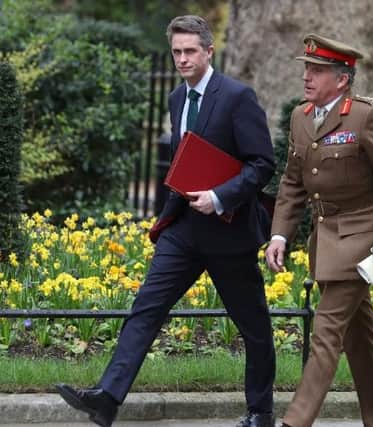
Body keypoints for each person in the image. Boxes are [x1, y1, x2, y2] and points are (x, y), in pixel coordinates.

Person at [56, 15, 276, 427]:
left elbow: (262, 164)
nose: (182, 59)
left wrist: (218, 196)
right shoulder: (177, 98)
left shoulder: (237, 97)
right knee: (146, 308)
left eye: (190, 51)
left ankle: (260, 412)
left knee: (254, 327)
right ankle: (107, 398)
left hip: (229, 233)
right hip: (183, 231)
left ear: (209, 51)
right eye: (176, 51)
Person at [265, 33, 373, 427]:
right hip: (327, 241)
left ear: (342, 79)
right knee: (360, 338)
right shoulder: (301, 118)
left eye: (317, 71)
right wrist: (280, 235)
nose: (307, 77)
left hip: (364, 241)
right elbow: (292, 183)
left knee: (325, 332)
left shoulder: (367, 116)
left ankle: (294, 422)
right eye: (306, 69)